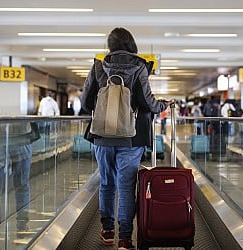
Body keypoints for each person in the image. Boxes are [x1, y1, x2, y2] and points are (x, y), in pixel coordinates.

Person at [80, 27, 168, 249]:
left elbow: (86, 103)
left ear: (110, 45)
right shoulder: (139, 67)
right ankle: (125, 238)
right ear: (131, 44)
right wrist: (164, 105)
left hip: (101, 136)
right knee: (126, 186)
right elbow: (148, 103)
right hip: (131, 138)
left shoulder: (99, 66)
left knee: (107, 183)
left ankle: (107, 230)